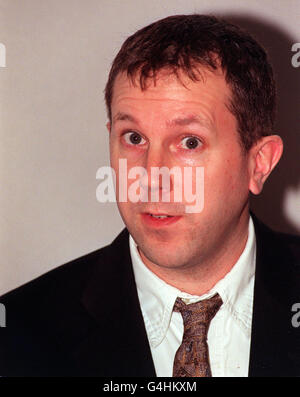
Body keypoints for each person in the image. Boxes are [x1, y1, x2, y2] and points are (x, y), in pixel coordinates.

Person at [0, 14, 299, 377]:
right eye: (134, 138)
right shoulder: (16, 333)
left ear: (259, 163)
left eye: (190, 142)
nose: (150, 178)